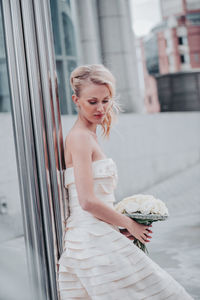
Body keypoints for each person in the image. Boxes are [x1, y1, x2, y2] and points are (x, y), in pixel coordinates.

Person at [58, 64, 193, 299]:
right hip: (89, 239)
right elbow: (87, 201)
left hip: (99, 233)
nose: (101, 108)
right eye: (92, 102)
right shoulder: (79, 138)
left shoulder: (90, 135)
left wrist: (116, 227)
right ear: (76, 100)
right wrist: (129, 223)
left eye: (106, 100)